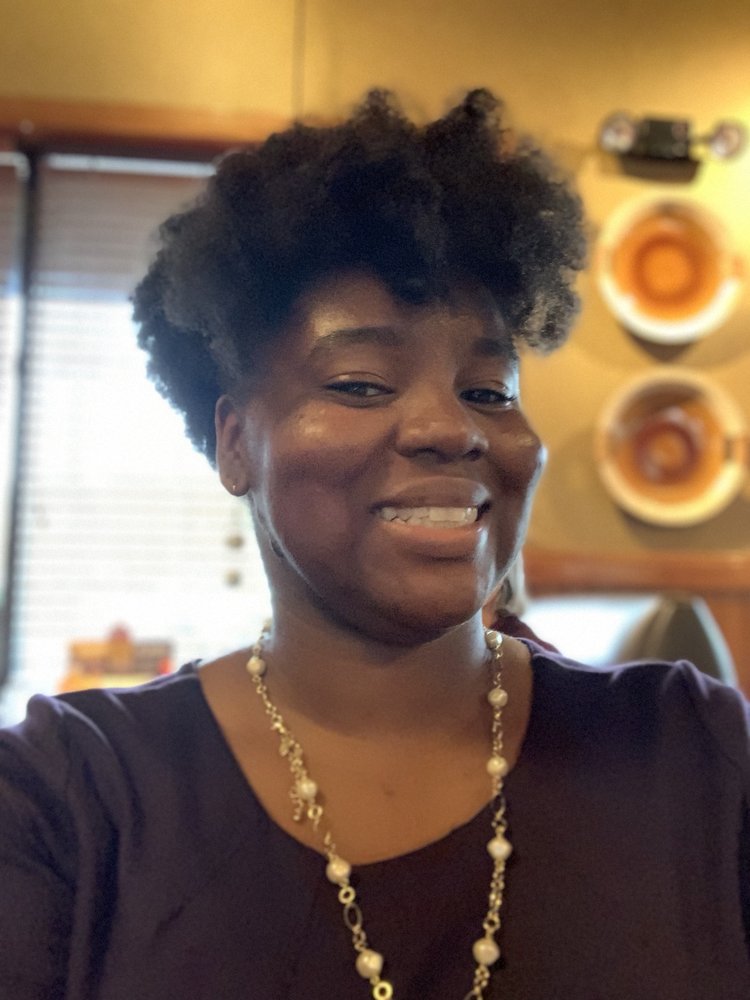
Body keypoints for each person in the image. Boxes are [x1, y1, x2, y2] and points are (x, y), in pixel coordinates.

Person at [1, 90, 748, 1000]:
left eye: (488, 390)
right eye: (360, 383)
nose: (451, 428)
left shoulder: (693, 752)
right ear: (235, 442)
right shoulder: (68, 799)